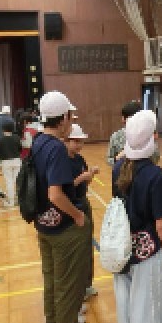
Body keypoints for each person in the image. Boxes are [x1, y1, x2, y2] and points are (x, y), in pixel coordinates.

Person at [32, 91, 95, 323]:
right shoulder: (57, 148)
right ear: (63, 118)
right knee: (69, 291)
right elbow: (56, 194)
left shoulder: (38, 142)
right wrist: (78, 215)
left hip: (44, 226)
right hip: (64, 228)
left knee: (52, 286)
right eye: (70, 116)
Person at [112, 110, 162, 323]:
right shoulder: (156, 175)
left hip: (123, 250)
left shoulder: (118, 168)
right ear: (152, 138)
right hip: (147, 253)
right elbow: (161, 224)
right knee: (148, 314)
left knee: (127, 312)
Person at [65, 123, 99, 301]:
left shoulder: (79, 159)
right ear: (66, 141)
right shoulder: (62, 162)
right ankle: (77, 289)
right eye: (75, 141)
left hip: (84, 203)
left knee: (87, 246)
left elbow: (86, 182)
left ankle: (86, 284)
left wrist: (90, 174)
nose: (79, 145)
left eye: (81, 141)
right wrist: (80, 178)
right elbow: (63, 189)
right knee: (77, 249)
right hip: (72, 206)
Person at [0, 121, 22, 207]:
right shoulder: (17, 138)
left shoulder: (0, 140)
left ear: (3, 130)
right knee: (18, 181)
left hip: (6, 161)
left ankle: (11, 201)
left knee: (9, 181)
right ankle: (20, 200)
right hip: (17, 160)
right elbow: (20, 149)